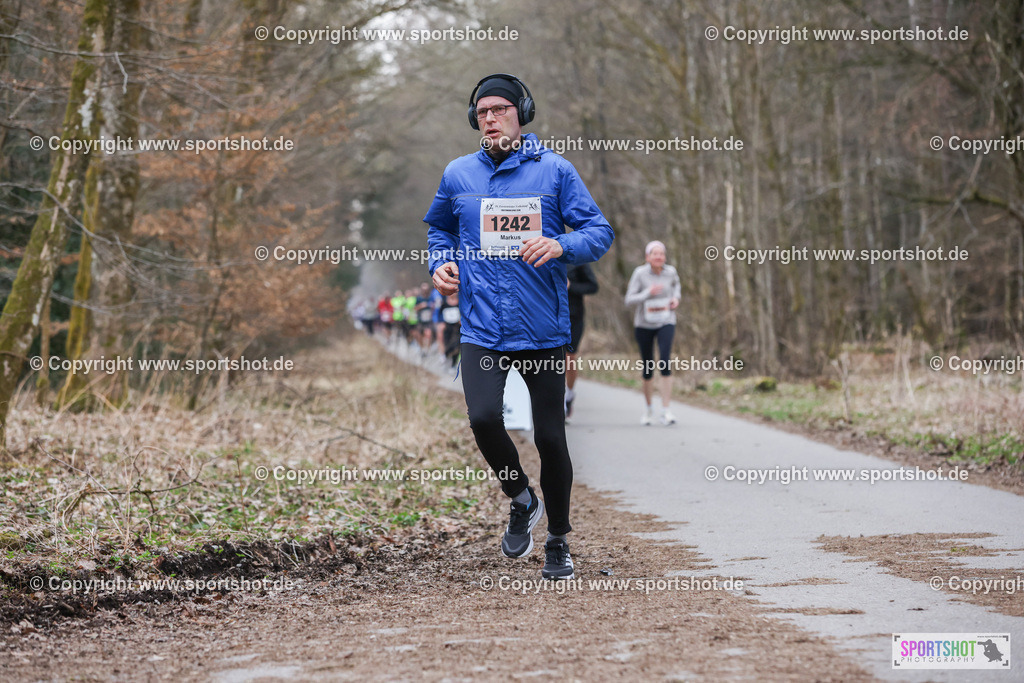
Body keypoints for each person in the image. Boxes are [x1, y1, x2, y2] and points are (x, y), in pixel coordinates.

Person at [425, 73, 614, 580]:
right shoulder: (458, 174)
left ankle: (558, 539)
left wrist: (561, 246)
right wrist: (439, 263)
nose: (490, 118)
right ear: (474, 120)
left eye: (500, 110)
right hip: (482, 326)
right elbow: (439, 228)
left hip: (542, 330)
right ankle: (520, 497)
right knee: (485, 418)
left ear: (521, 113)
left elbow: (599, 231)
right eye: (482, 112)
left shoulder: (555, 172)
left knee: (551, 438)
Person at [624, 240, 681, 425]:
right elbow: (629, 300)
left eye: (661, 254)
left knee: (665, 362)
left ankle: (666, 410)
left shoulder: (671, 272)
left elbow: (677, 288)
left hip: (666, 320)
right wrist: (647, 293)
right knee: (648, 367)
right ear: (647, 257)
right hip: (644, 324)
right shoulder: (640, 274)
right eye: (654, 254)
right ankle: (649, 409)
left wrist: (675, 299)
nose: (658, 257)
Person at [564, 263, 599, 421]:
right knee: (552, 360)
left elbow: (593, 286)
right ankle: (556, 402)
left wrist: (571, 286)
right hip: (549, 317)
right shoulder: (541, 256)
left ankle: (569, 395)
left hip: (574, 317)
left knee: (569, 358)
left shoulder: (577, 258)